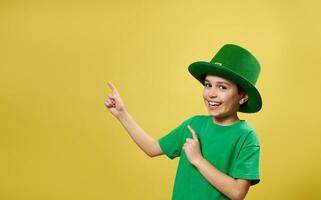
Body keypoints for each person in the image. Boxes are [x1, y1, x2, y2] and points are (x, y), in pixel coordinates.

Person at [105, 44, 262, 200]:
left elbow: (237, 193)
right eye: (208, 85)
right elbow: (152, 148)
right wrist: (122, 114)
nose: (211, 94)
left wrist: (197, 159)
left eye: (222, 87)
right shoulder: (193, 124)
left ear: (243, 97)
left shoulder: (246, 136)